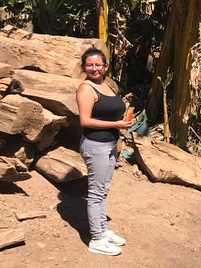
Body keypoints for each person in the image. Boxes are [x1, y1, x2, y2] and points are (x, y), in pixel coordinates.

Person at [76, 47, 134, 256]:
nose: (94, 68)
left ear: (105, 66)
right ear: (84, 67)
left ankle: (102, 229)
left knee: (103, 190)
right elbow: (85, 121)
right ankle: (97, 240)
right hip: (95, 145)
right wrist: (116, 125)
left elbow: (112, 113)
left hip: (110, 144)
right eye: (89, 65)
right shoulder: (86, 89)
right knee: (95, 193)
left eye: (98, 64)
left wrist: (125, 122)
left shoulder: (108, 85)